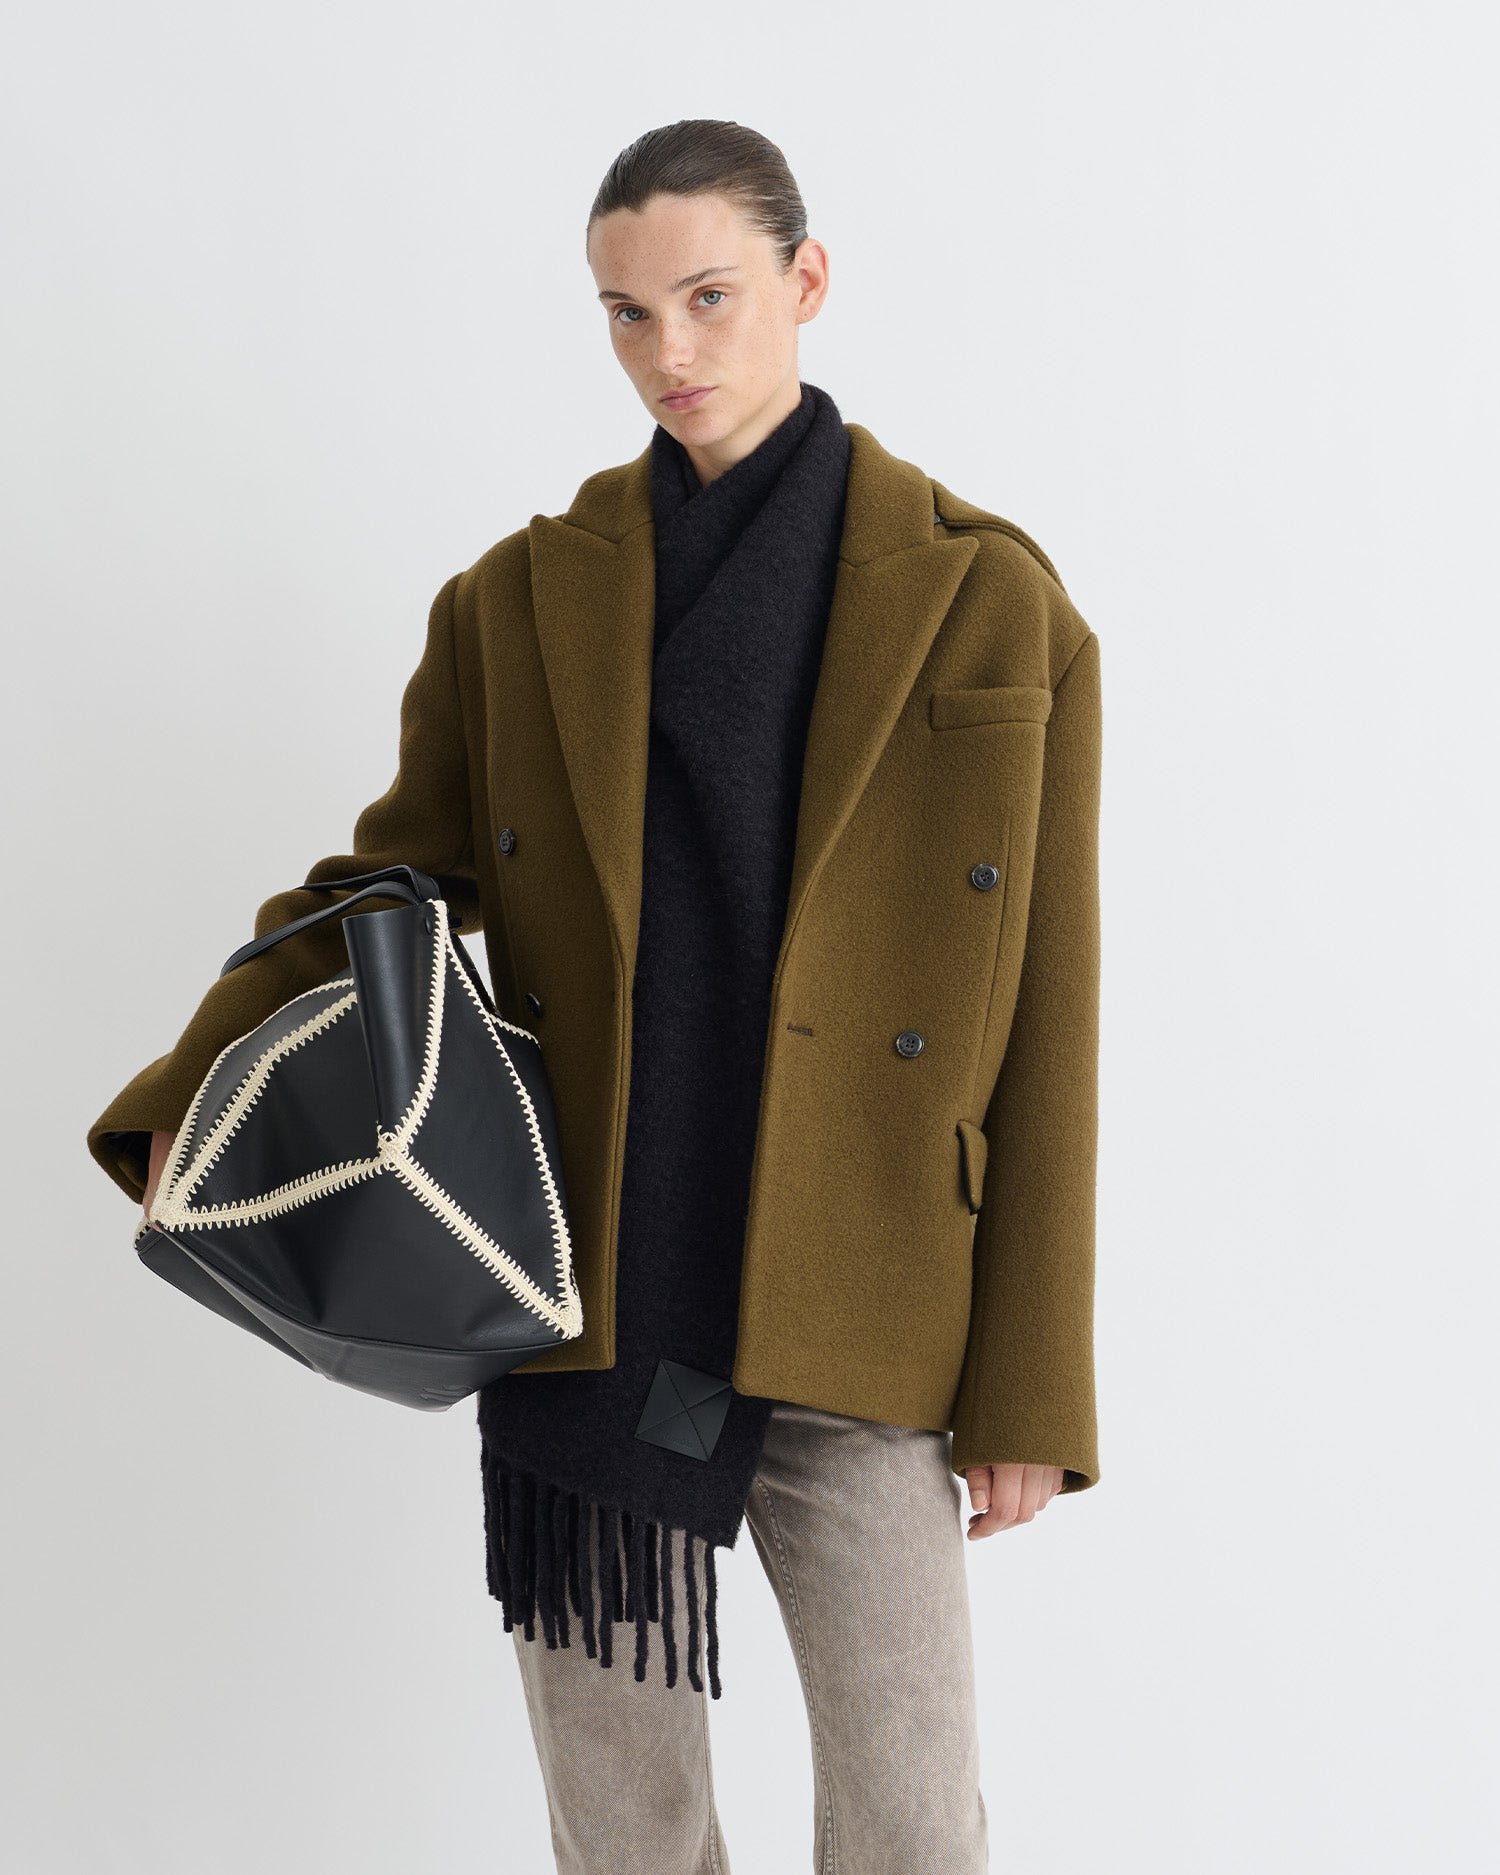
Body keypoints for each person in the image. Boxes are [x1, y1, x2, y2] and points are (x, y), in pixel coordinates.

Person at [89, 118, 1102, 1875]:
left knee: (916, 1827)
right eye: (627, 313)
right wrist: (201, 1088)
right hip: (594, 1283)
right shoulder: (515, 604)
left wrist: (1032, 1388)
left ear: (807, 280)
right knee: (622, 1838)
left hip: (865, 1289)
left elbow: (1053, 1018)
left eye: (709, 297)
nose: (669, 352)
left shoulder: (990, 601)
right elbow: (386, 889)